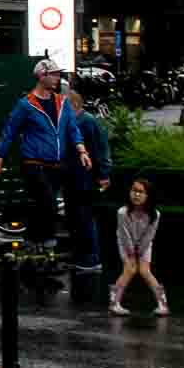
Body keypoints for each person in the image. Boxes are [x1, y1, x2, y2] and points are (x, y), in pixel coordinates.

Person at [0, 60, 90, 254]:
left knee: (42, 204)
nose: (58, 78)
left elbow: (72, 129)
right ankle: (47, 238)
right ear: (42, 76)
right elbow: (9, 132)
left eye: (59, 74)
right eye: (54, 74)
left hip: (56, 163)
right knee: (48, 202)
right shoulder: (26, 105)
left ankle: (31, 241)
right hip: (34, 162)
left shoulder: (62, 102)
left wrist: (82, 151)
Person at [65, 82, 112, 280]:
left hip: (84, 179)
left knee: (84, 218)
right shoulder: (78, 123)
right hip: (74, 178)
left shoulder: (87, 123)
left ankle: (91, 259)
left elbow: (99, 151)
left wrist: (102, 174)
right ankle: (81, 256)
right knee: (76, 218)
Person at [109, 176, 167, 317]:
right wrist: (131, 253)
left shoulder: (154, 215)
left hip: (143, 245)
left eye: (141, 192)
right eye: (134, 191)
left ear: (148, 195)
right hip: (125, 244)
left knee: (145, 271)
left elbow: (149, 235)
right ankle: (114, 303)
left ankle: (162, 304)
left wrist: (140, 251)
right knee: (130, 269)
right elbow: (124, 234)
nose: (136, 194)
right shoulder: (122, 213)